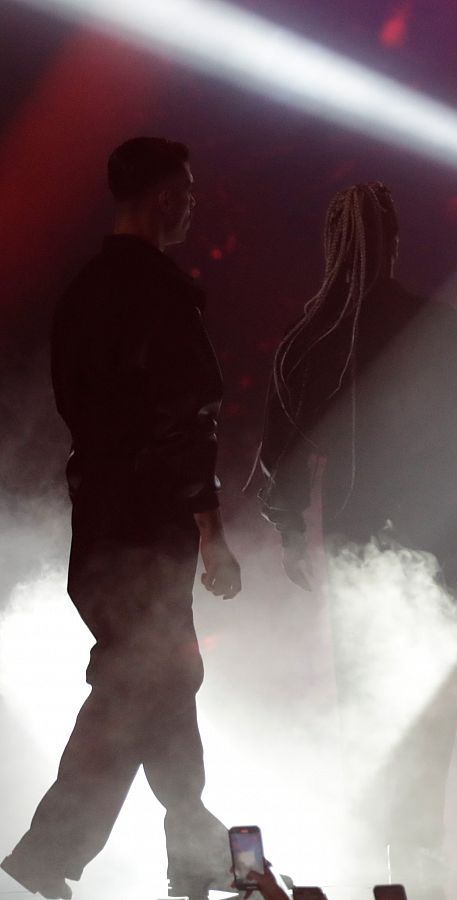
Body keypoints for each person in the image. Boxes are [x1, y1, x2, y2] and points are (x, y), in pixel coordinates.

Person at [252, 182, 457, 900]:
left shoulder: (317, 336)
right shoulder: (435, 323)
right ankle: (417, 849)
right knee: (430, 688)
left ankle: (379, 844)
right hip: (429, 524)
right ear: (396, 244)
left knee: (365, 684)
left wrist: (290, 527)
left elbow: (285, 446)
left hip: (359, 526)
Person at [2, 137, 241, 900]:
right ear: (166, 196)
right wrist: (211, 531)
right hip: (149, 525)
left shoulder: (81, 294)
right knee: (141, 681)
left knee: (157, 678)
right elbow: (185, 423)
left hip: (98, 521)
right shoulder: (165, 294)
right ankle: (56, 852)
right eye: (190, 191)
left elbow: (82, 407)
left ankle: (196, 853)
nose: (194, 206)